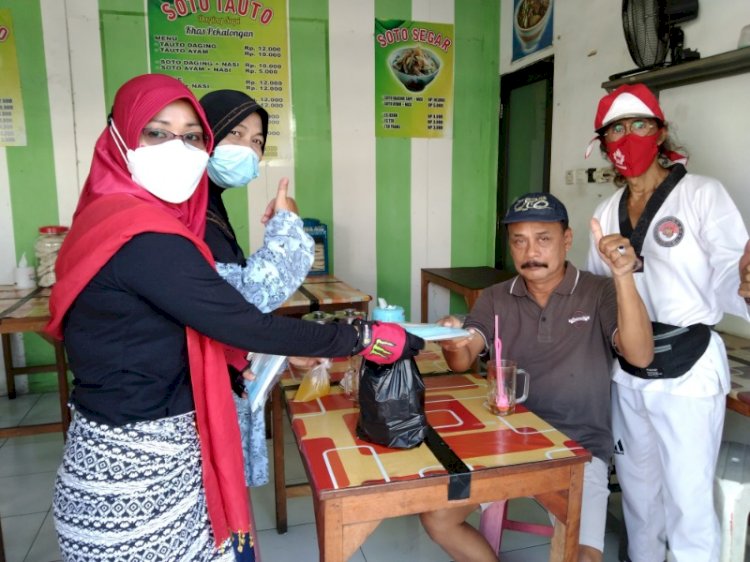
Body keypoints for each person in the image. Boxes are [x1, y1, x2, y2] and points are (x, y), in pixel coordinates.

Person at [45, 73, 423, 562]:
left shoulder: (128, 218)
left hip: (149, 445)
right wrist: (362, 335)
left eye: (192, 136)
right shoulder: (144, 236)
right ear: (120, 138)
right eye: (157, 133)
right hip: (134, 472)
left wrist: (268, 358)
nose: (178, 149)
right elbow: (240, 318)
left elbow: (185, 321)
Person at [419, 192, 653, 562]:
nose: (531, 251)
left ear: (566, 240)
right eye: (519, 240)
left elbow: (640, 354)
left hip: (578, 447)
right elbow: (464, 357)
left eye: (543, 238)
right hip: (504, 441)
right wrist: (452, 339)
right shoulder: (496, 297)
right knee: (437, 517)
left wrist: (623, 276)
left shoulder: (598, 291)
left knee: (582, 557)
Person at [585, 83, 750, 562]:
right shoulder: (605, 211)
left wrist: (742, 284)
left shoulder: (700, 194)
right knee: (638, 493)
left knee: (688, 499)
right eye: (617, 128)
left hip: (688, 365)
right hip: (629, 369)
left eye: (640, 125)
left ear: (659, 133)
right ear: (603, 142)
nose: (628, 137)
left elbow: (727, 269)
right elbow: (601, 297)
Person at [199, 89, 314, 491]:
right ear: (205, 134)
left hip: (216, 370)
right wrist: (288, 225)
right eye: (235, 133)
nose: (247, 149)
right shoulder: (190, 209)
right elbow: (244, 298)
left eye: (257, 142)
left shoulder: (206, 203)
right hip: (190, 396)